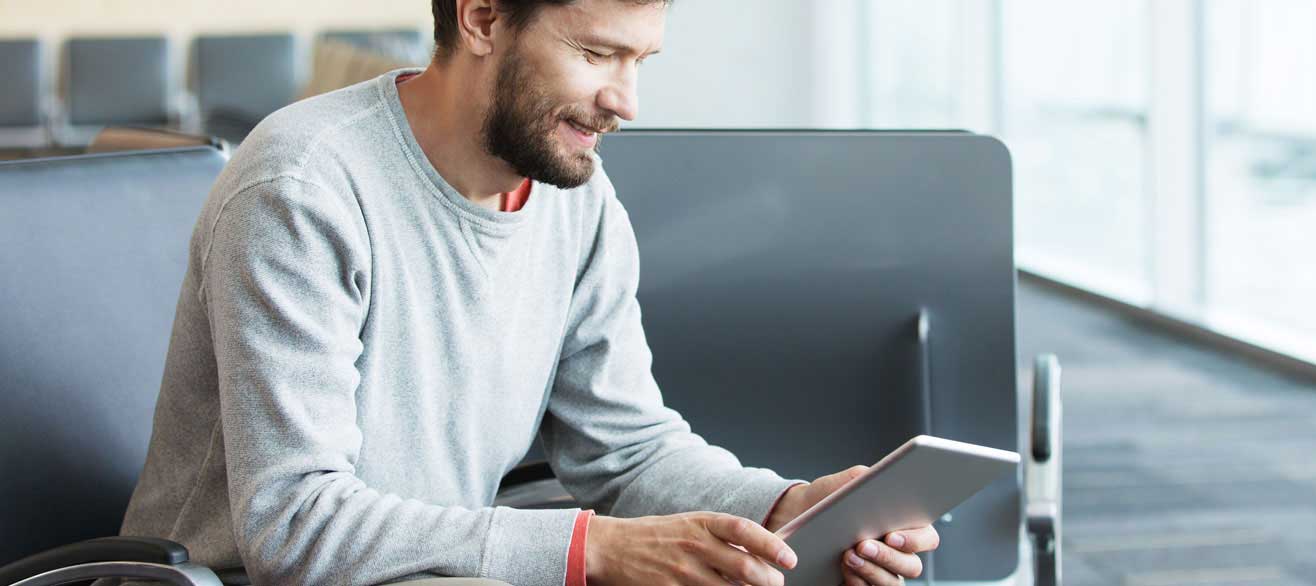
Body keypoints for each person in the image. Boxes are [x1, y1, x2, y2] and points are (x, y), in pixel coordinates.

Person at [115, 1, 940, 585]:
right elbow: (294, 526)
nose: (627, 101)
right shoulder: (301, 188)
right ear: (481, 18)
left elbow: (626, 449)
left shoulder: (576, 200)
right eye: (595, 54)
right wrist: (595, 552)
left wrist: (782, 508)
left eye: (640, 61)